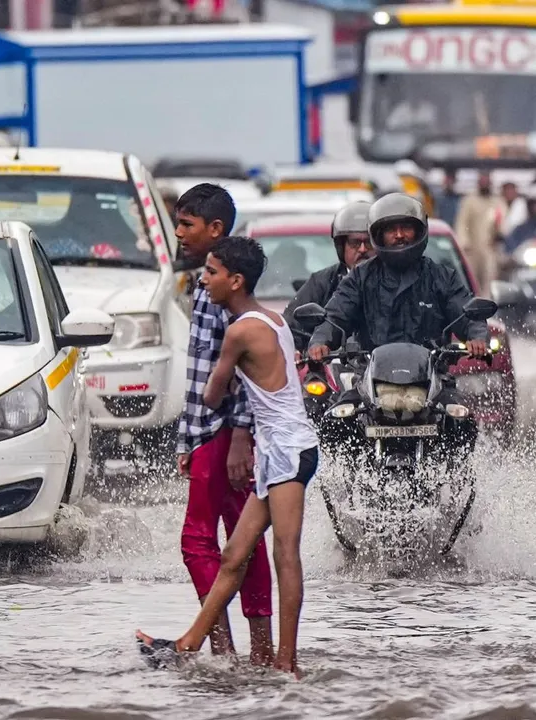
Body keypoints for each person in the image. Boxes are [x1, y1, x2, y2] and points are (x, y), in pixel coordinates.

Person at [137, 236, 319, 677]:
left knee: (285, 555)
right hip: (282, 452)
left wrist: (222, 369)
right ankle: (188, 642)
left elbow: (212, 395)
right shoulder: (273, 319)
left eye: (212, 273)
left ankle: (286, 662)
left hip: (289, 452)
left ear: (235, 281)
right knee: (235, 555)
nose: (205, 279)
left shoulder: (238, 331)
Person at [170, 183, 275, 666]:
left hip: (224, 433)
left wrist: (238, 436)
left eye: (187, 224)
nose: (178, 233)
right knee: (240, 541)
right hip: (206, 432)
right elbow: (200, 371)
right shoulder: (203, 283)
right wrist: (186, 438)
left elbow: (245, 375)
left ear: (215, 230)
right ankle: (254, 651)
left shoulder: (224, 288)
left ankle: (225, 648)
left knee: (201, 540)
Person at [307, 193, 489, 361]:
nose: (399, 235)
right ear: (378, 234)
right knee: (342, 398)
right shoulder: (359, 278)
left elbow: (466, 313)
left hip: (432, 378)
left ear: (420, 231)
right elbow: (336, 314)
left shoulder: (442, 277)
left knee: (461, 398)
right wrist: (320, 341)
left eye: (406, 228)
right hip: (371, 379)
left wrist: (477, 338)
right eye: (391, 230)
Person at [283, 200, 373, 331]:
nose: (363, 249)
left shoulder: (396, 279)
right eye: (354, 242)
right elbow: (291, 328)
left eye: (369, 242)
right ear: (341, 246)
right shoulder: (322, 282)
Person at [454, 172, 502, 296]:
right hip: (472, 249)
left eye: (487, 181)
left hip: (490, 248)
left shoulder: (496, 201)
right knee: (472, 280)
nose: (485, 184)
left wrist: (500, 234)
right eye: (482, 181)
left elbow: (502, 221)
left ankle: (489, 306)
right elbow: (462, 222)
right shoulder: (469, 200)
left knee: (489, 279)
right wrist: (464, 242)